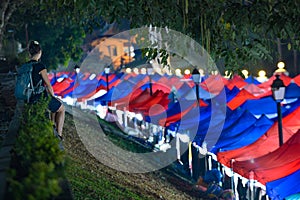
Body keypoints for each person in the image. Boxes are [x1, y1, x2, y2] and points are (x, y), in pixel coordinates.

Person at [28, 40, 65, 140]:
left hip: (29, 96)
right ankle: (59, 135)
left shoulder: (25, 67)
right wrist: (53, 96)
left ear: (29, 53)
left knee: (54, 104)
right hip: (39, 97)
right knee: (61, 109)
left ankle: (52, 125)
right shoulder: (40, 66)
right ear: (40, 52)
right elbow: (48, 85)